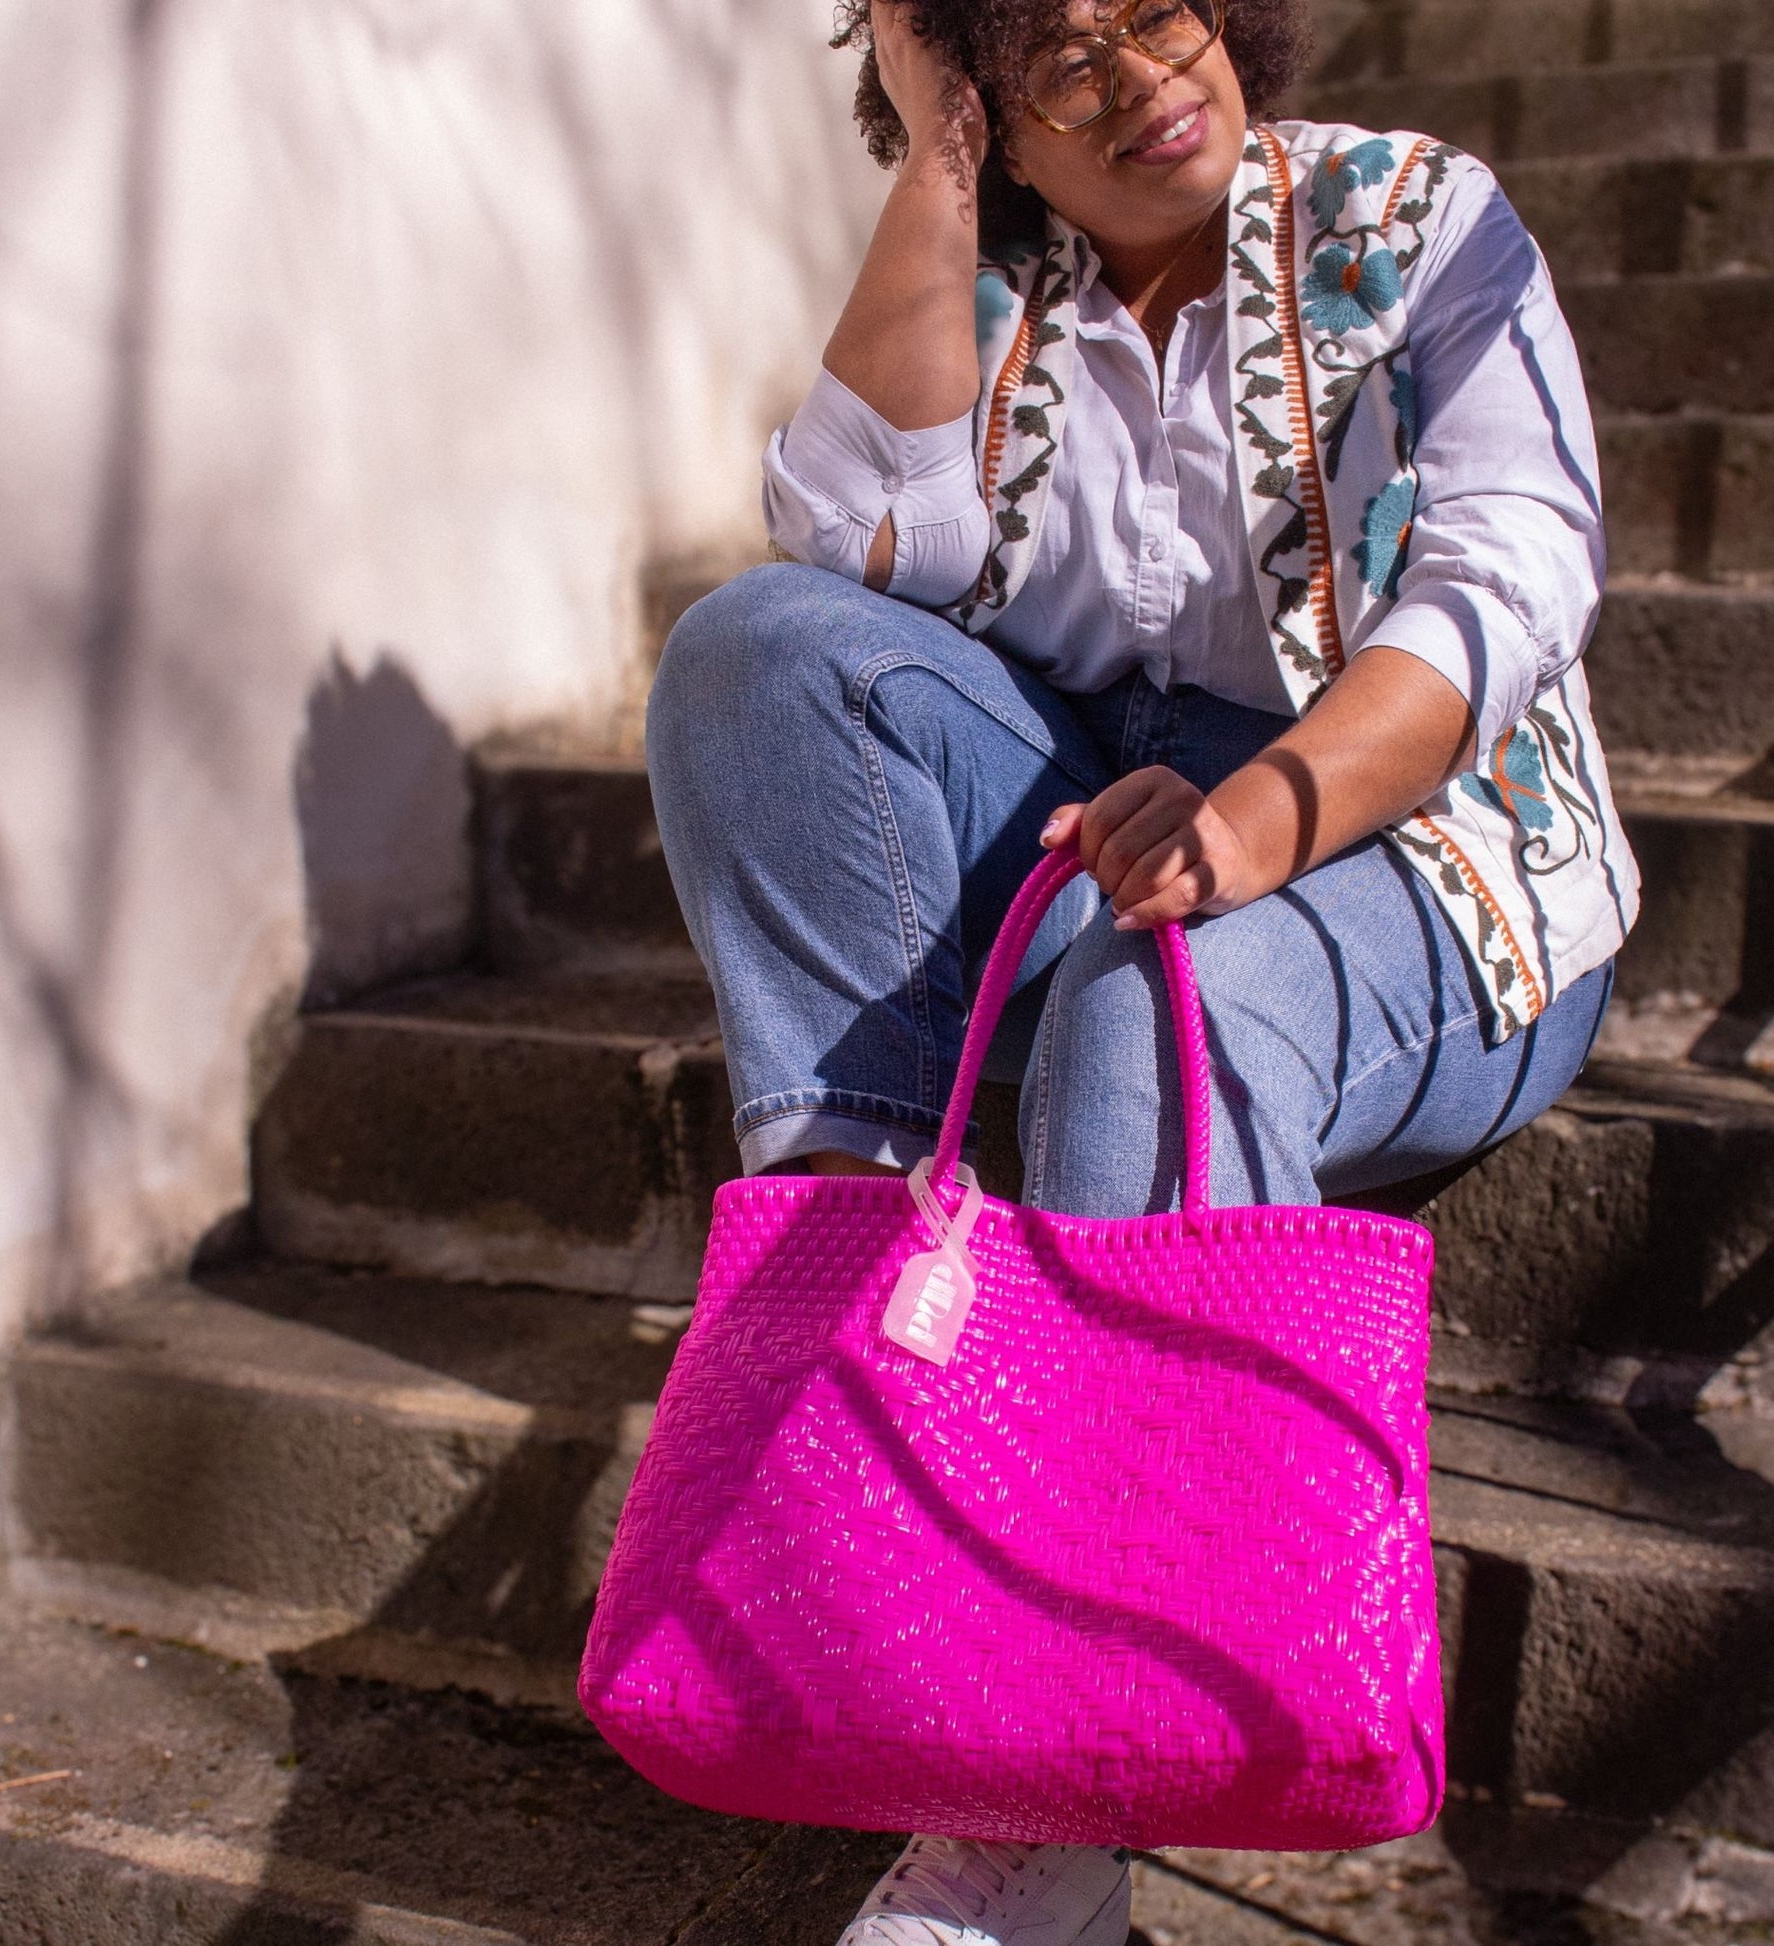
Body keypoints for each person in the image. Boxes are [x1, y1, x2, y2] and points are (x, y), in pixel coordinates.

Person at [645, 0, 1640, 1938]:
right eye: (1060, 57)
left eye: (1157, 12)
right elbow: (840, 538)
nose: (1144, 77)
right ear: (995, 110)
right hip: (1119, 795)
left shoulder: (1418, 219)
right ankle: (868, 1313)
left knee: (1137, 993)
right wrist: (937, 156)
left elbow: (1515, 571)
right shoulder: (1009, 304)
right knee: (747, 658)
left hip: (1439, 853)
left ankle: (1042, 1815)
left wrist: (1262, 817)